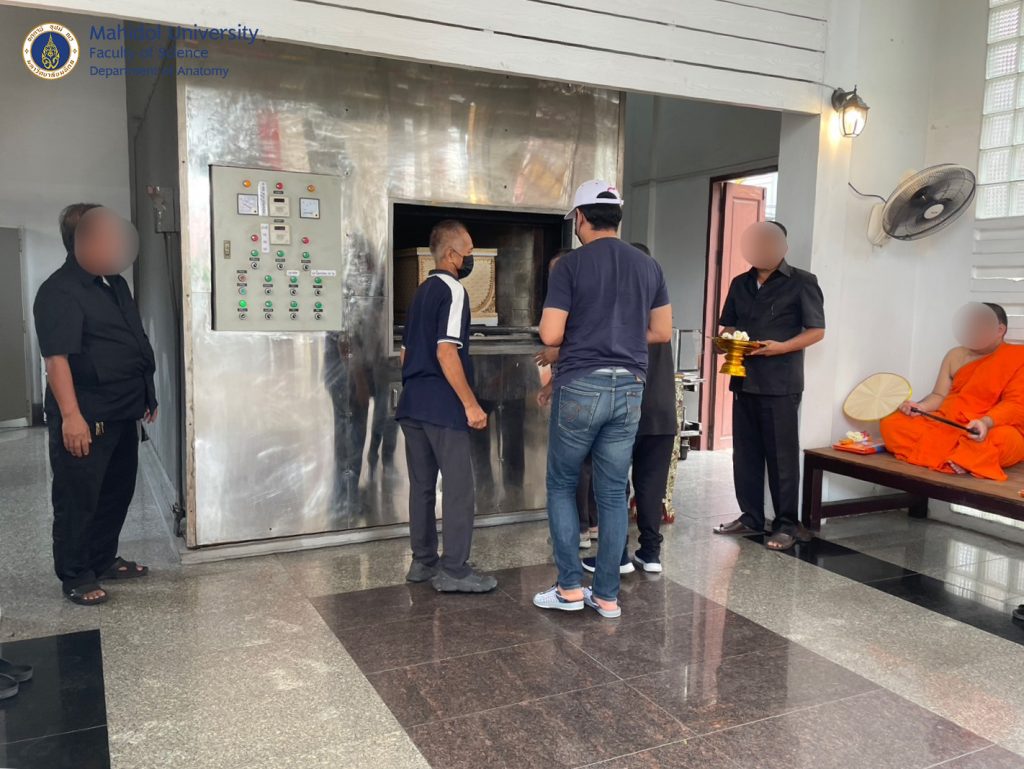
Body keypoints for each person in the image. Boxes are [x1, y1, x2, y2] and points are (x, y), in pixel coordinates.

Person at [532, 180, 672, 619]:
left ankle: (570, 589)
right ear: (618, 218)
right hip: (630, 386)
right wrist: (620, 335)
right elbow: (661, 332)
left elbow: (551, 334)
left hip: (581, 384)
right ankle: (607, 596)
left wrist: (587, 336)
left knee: (562, 483)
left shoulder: (570, 265)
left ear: (580, 218)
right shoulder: (648, 266)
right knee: (612, 491)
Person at [33, 204, 157, 605]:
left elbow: (134, 341)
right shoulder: (59, 291)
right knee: (79, 498)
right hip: (86, 414)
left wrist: (147, 394)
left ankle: (102, 560)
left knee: (115, 492)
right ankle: (75, 574)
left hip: (123, 410)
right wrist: (71, 417)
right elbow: (56, 359)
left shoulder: (114, 284)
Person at [395, 219, 497, 593]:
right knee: (458, 488)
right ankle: (454, 570)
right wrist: (470, 404)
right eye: (468, 250)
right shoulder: (453, 290)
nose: (471, 257)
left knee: (422, 486)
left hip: (412, 404)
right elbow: (446, 351)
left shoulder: (421, 292)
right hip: (442, 406)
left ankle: (423, 561)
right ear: (451, 254)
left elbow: (405, 355)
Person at [712, 220, 825, 551]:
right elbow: (728, 326)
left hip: (780, 383)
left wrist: (782, 347)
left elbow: (816, 331)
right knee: (745, 454)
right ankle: (750, 517)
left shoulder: (803, 282)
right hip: (744, 380)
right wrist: (727, 341)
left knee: (781, 457)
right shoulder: (740, 283)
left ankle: (787, 524)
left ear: (782, 247)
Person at [582, 242, 677, 575]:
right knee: (651, 486)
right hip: (662, 412)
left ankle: (618, 556)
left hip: (625, 409)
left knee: (614, 486)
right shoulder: (660, 312)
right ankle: (650, 554)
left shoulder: (619, 315)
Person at [881, 302, 1024, 480]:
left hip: (986, 427)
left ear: (999, 330)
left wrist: (985, 423)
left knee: (1003, 439)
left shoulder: (1018, 357)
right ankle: (961, 458)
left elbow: (1015, 405)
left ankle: (957, 455)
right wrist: (920, 407)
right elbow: (939, 395)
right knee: (892, 423)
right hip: (948, 423)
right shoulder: (955, 355)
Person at [537, 248, 598, 549]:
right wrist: (551, 385)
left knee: (574, 465)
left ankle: (580, 529)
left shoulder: (575, 302)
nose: (555, 277)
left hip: (580, 390)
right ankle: (593, 523)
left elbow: (582, 341)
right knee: (591, 462)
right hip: (586, 387)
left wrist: (556, 352)